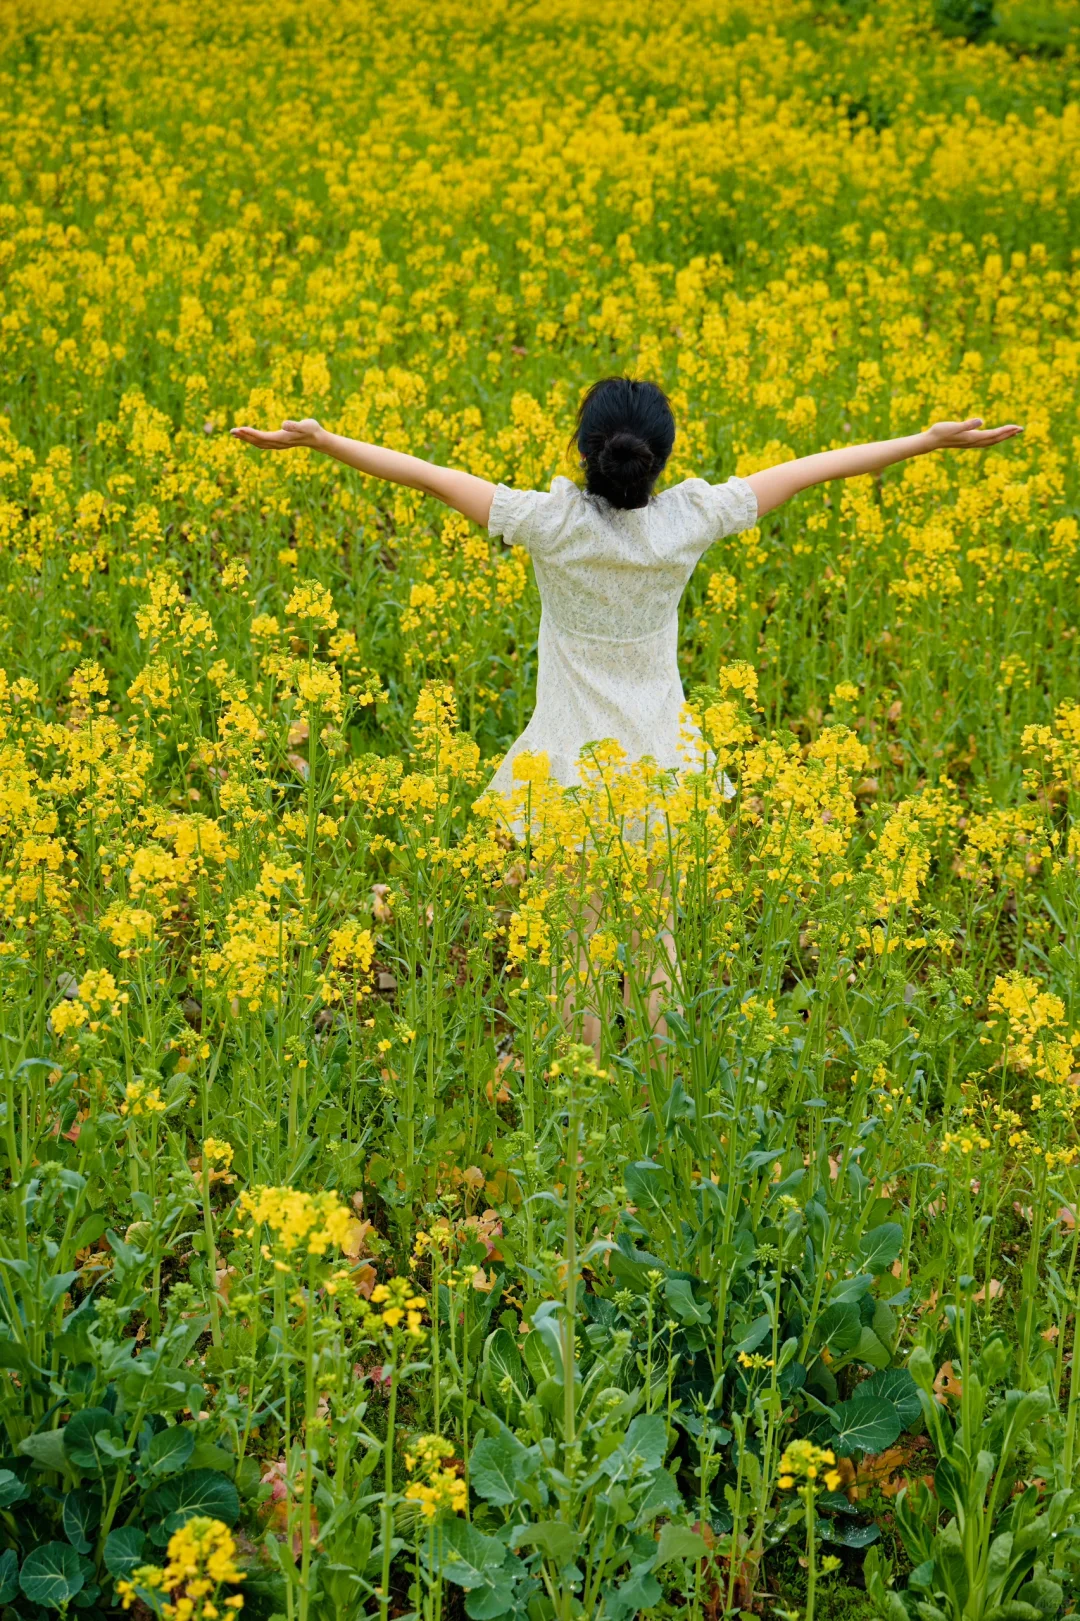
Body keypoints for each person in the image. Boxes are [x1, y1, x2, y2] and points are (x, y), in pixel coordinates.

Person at [232, 379, 1021, 1050]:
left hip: (568, 775)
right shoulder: (689, 522)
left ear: (583, 448)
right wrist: (926, 440)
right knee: (657, 946)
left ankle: (583, 1115)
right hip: (661, 769)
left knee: (575, 947)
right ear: (661, 460)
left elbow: (431, 476)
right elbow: (810, 471)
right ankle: (663, 1101)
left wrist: (321, 439)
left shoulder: (550, 524)